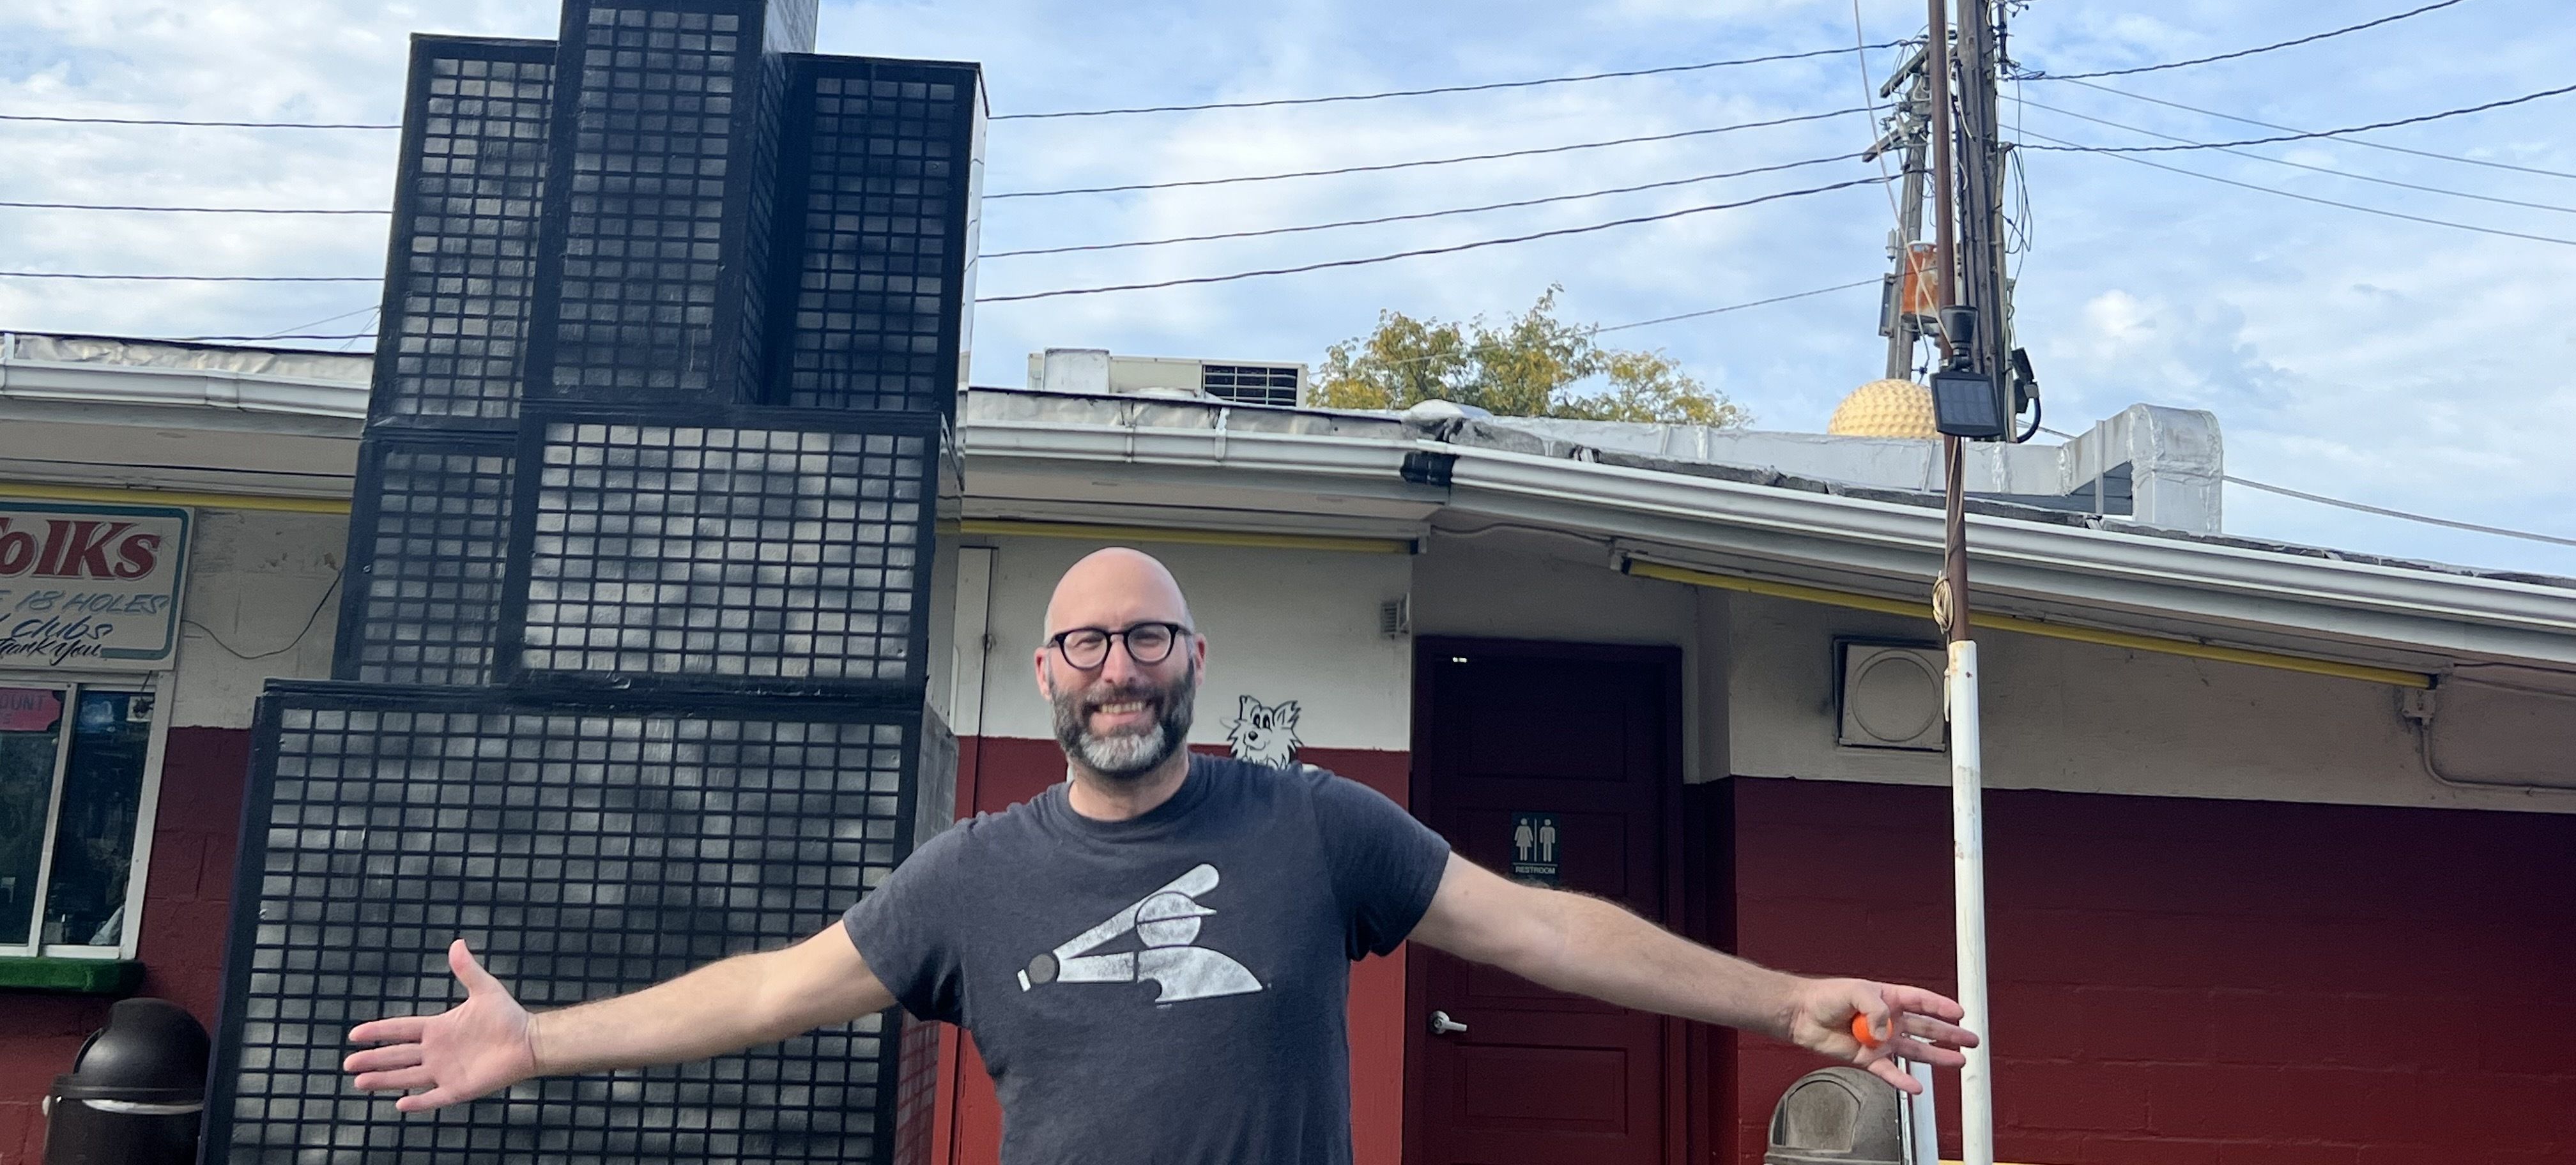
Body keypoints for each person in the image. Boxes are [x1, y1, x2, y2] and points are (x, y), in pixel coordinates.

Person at [348, 547, 1975, 1161]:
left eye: (1146, 639)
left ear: (1191, 660)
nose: (1115, 668)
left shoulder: (1317, 825)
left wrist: (1782, 1003)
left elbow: (1541, 929)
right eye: (1083, 646)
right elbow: (774, 990)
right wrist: (538, 1038)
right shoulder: (969, 877)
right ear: (1045, 677)